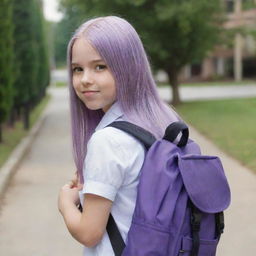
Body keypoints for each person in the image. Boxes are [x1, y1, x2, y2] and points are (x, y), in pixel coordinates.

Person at [58, 16, 180, 255]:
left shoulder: (109, 141)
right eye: (77, 69)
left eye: (100, 67)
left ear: (128, 67)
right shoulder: (163, 119)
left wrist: (65, 202)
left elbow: (89, 233)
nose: (85, 79)